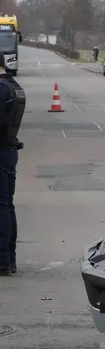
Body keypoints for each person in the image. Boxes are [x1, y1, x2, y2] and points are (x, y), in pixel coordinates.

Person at [0, 53, 24, 276]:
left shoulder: (1, 89)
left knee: (2, 207)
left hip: (1, 151)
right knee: (7, 206)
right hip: (9, 149)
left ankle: (2, 262)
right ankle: (10, 258)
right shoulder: (15, 87)